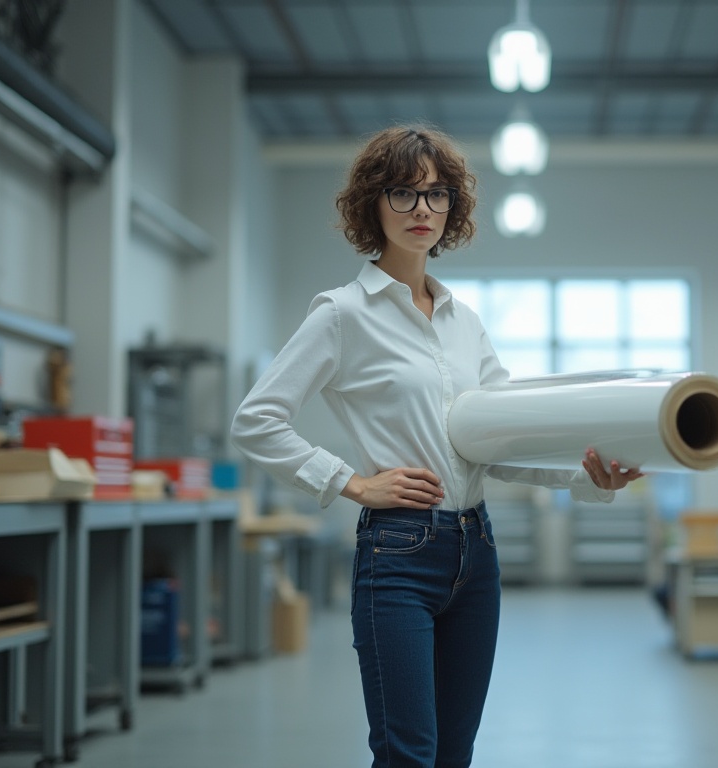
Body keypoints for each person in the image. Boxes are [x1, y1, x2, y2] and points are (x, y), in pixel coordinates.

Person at [230, 124, 643, 768]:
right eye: (402, 192)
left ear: (453, 208)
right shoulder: (342, 314)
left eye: (436, 194)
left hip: (477, 554)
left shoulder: (465, 322)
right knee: (407, 756)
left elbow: (504, 443)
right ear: (374, 203)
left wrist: (590, 481)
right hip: (397, 555)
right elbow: (257, 419)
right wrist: (351, 482)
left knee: (454, 756)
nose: (421, 208)